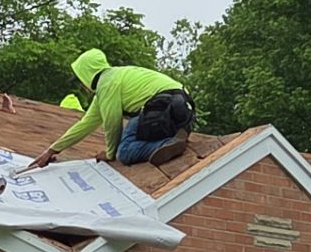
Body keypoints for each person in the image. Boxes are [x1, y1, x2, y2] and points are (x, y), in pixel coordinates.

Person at [27, 49, 195, 168]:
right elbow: (85, 124)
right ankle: (176, 135)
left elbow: (112, 123)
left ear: (87, 74)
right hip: (184, 111)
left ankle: (168, 144)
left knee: (125, 151)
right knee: (136, 131)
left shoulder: (107, 84)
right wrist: (52, 150)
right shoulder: (113, 80)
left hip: (162, 108)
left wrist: (109, 154)